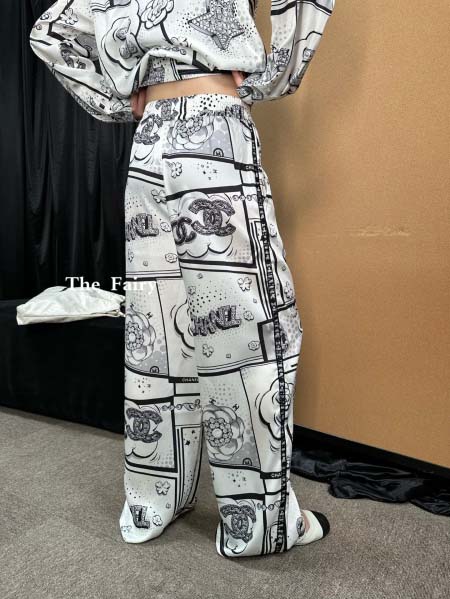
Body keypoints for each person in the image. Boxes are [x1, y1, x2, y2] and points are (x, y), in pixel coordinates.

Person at [29, 0, 335, 558]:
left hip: (150, 141)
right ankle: (256, 526)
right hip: (213, 130)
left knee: (158, 330)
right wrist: (271, 74)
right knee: (249, 333)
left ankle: (153, 500)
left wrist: (121, 95)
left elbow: (50, 31)